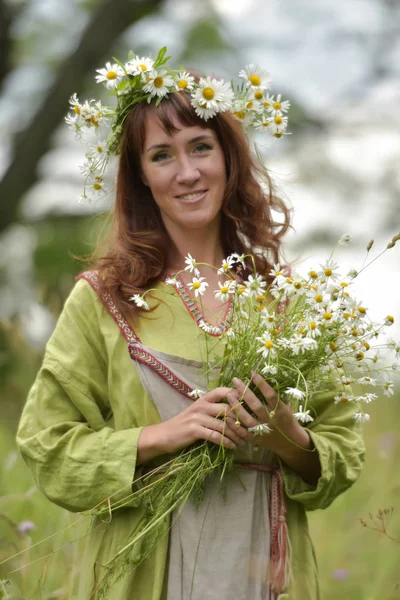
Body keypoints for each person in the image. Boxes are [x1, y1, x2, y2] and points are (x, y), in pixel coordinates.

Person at [17, 51, 365, 600]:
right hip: (143, 572)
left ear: (228, 157)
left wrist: (289, 439)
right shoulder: (104, 300)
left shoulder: (287, 304)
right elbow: (48, 447)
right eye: (161, 156)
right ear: (142, 180)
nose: (187, 172)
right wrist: (162, 436)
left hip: (264, 571)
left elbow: (342, 450)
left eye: (200, 146)